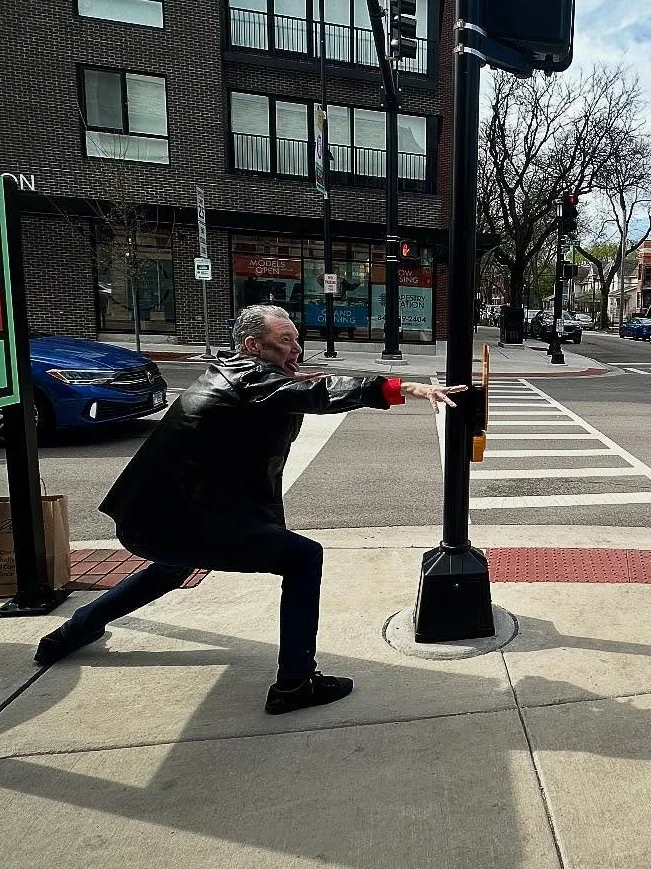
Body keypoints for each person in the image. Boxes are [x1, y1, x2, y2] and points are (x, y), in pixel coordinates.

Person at [33, 304, 467, 714]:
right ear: (252, 346)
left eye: (296, 340)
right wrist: (401, 386)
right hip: (180, 521)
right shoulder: (250, 380)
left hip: (158, 519)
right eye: (283, 340)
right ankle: (295, 684)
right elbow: (318, 392)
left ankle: (74, 631)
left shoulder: (231, 376)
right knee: (303, 558)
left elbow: (287, 402)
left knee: (169, 568)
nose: (295, 349)